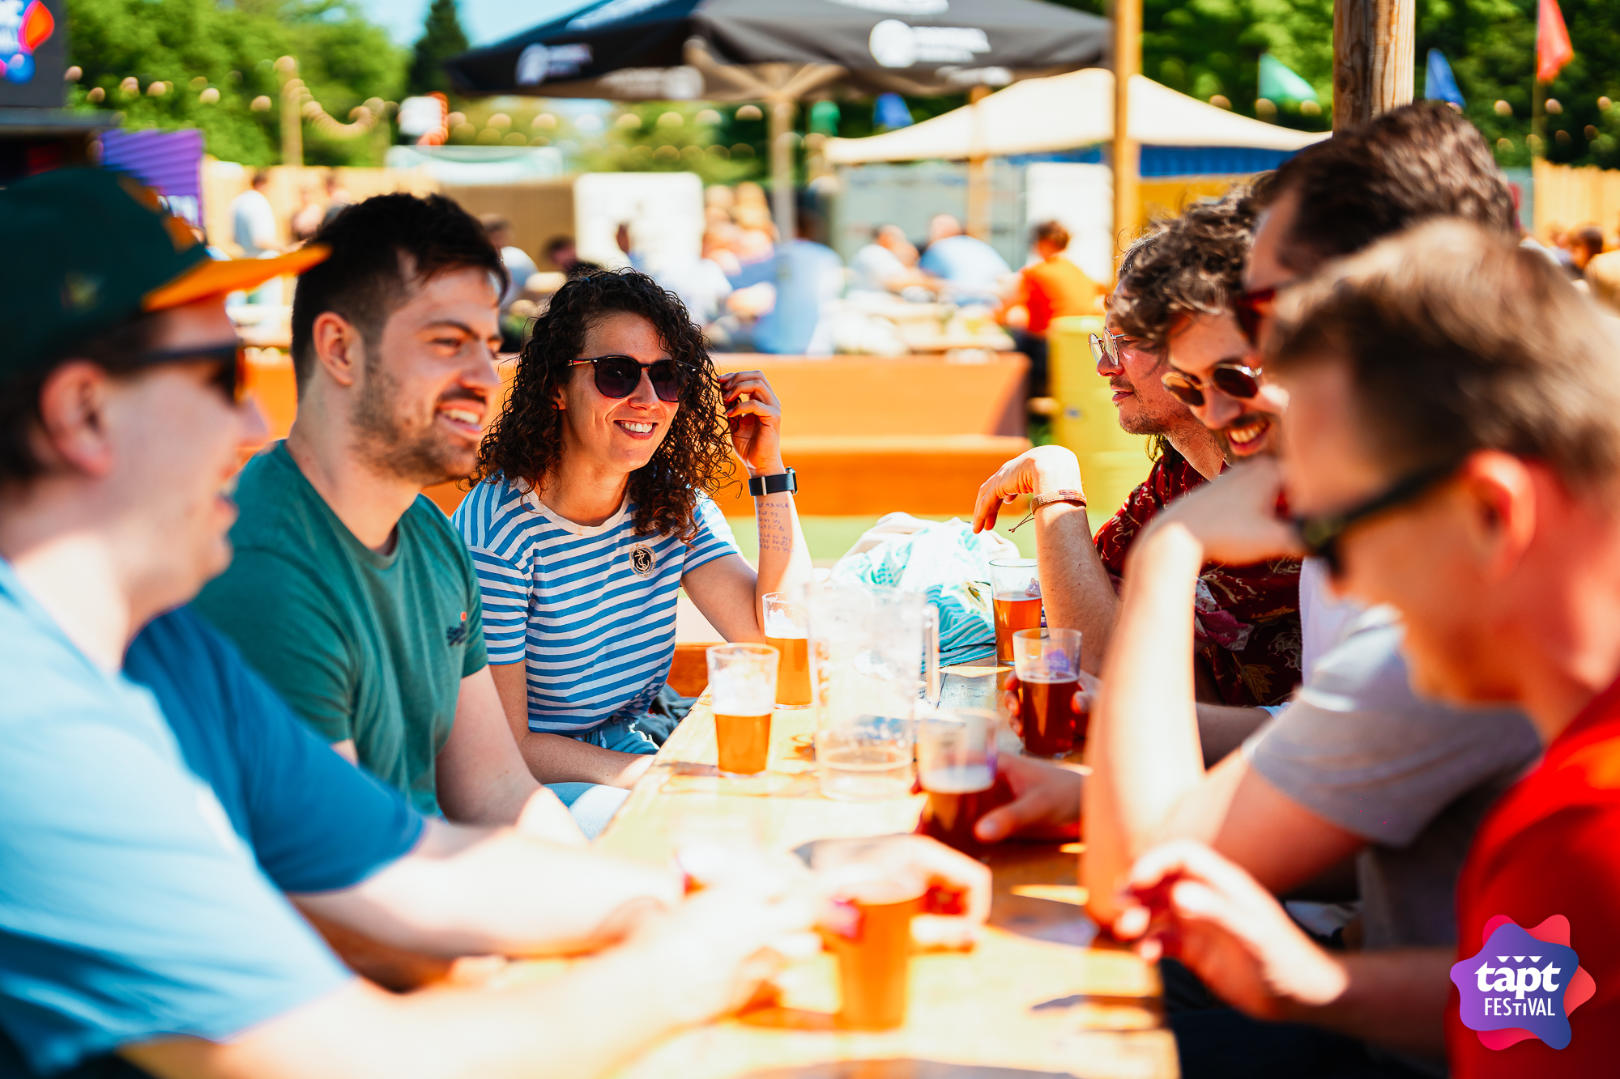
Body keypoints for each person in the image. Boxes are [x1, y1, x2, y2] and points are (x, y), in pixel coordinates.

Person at [0, 167, 985, 1079]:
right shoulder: (34, 727)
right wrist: (685, 960)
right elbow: (353, 1053)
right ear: (84, 414)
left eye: (488, 339)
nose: (251, 423)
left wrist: (782, 899)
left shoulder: (168, 647)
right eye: (220, 377)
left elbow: (409, 861)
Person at [1118, 218, 1620, 1079]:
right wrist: (1323, 986)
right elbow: (1561, 992)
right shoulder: (1571, 764)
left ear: (1492, 513)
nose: (1341, 589)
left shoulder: (1589, 829)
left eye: (1337, 534)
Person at [192, 193, 622, 837]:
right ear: (339, 348)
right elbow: (343, 871)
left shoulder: (426, 533)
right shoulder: (265, 562)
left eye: (487, 342)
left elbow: (495, 787)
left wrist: (603, 881)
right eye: (448, 342)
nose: (485, 374)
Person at [454, 269, 813, 790]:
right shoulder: (497, 535)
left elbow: (779, 640)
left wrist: (769, 474)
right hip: (530, 779)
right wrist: (666, 777)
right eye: (616, 373)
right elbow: (503, 745)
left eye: (667, 376)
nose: (648, 398)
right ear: (556, 386)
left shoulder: (669, 502)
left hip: (626, 748)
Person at [973, 193, 1301, 714]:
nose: (1106, 366)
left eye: (1126, 339)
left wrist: (1056, 488)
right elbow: (1084, 600)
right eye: (1106, 339)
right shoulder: (1180, 474)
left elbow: (1102, 661)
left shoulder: (1286, 493)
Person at [996, 220, 1103, 394]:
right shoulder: (1079, 272)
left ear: (1043, 242)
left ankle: (1018, 401)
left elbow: (1005, 312)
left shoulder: (1036, 272)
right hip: (1079, 345)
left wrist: (991, 317)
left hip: (1049, 349)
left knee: (1014, 338)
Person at [726, 206, 845, 355]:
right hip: (820, 340)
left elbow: (741, 279)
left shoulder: (784, 254)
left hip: (781, 340)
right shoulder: (828, 256)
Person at [918, 213, 1012, 307]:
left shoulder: (938, 248)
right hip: (1002, 300)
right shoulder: (978, 244)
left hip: (969, 303)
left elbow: (922, 280)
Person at [849, 224, 936, 298]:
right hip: (869, 304)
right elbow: (894, 282)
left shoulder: (886, 255)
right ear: (885, 237)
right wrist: (935, 285)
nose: (902, 241)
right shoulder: (874, 252)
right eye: (899, 237)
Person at [230, 169, 278, 258]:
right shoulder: (259, 202)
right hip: (264, 258)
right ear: (261, 184)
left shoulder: (238, 201)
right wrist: (285, 248)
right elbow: (261, 240)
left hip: (246, 257)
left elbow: (234, 238)